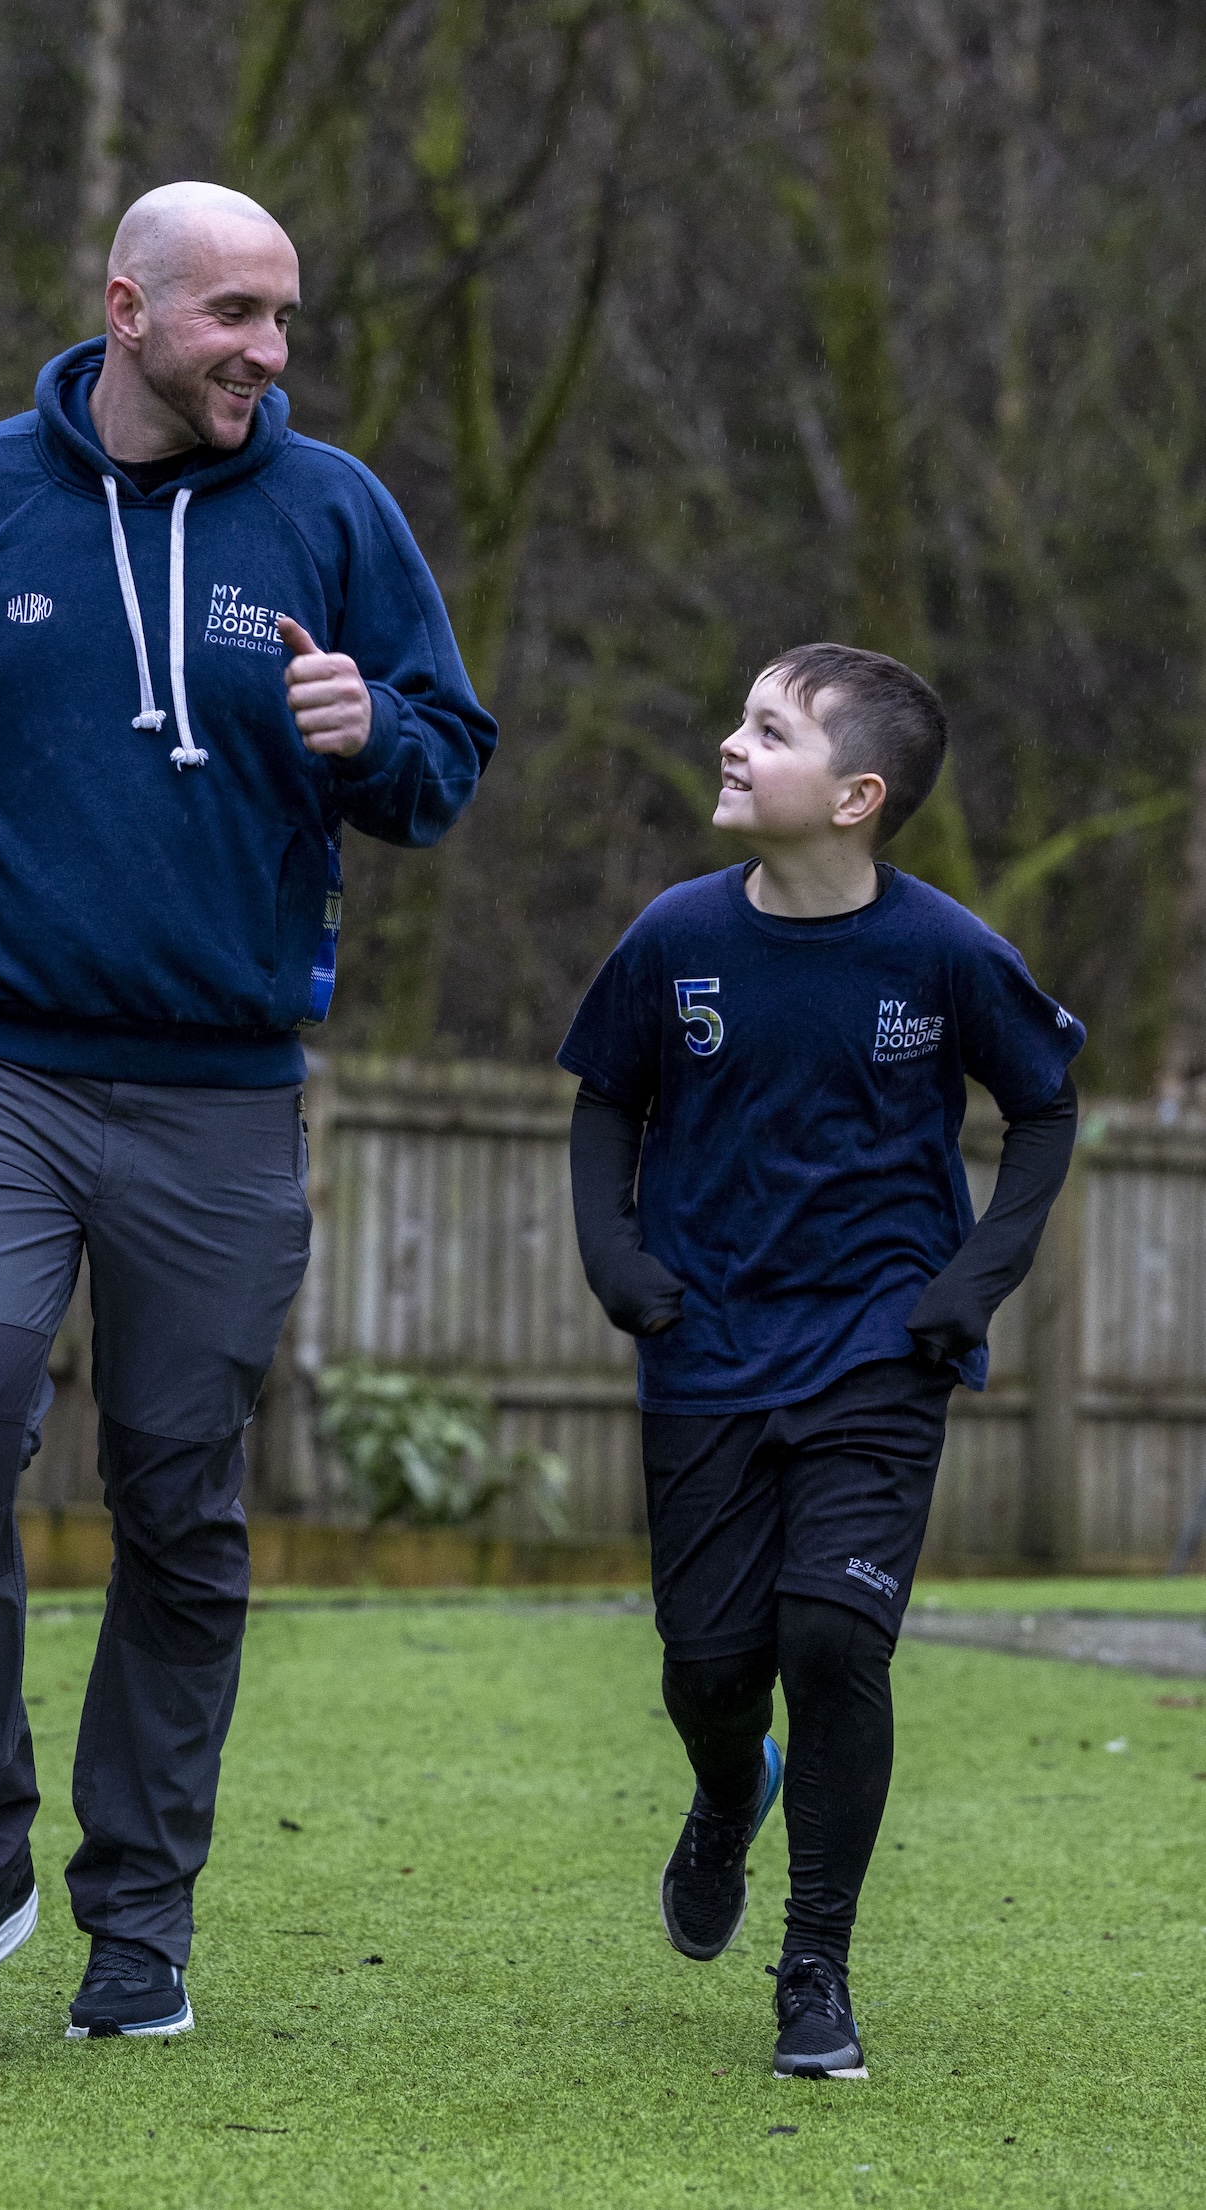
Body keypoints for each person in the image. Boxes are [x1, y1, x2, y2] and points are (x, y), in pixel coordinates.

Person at [0, 181, 495, 2041]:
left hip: (222, 1101)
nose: (270, 352)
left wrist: (373, 744)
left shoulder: (337, 513)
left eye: (286, 320)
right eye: (236, 316)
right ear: (128, 307)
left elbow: (446, 761)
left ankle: (140, 1916)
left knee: (177, 1502)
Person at [558, 644, 1080, 2078]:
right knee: (710, 1662)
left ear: (855, 795)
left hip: (876, 1350)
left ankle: (815, 1967)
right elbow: (607, 1097)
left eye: (766, 730)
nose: (730, 743)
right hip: (707, 1350)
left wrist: (967, 1284)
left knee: (833, 1639)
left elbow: (1044, 1110)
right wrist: (615, 1261)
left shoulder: (947, 952)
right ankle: (728, 1790)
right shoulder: (671, 938)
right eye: (737, 716)